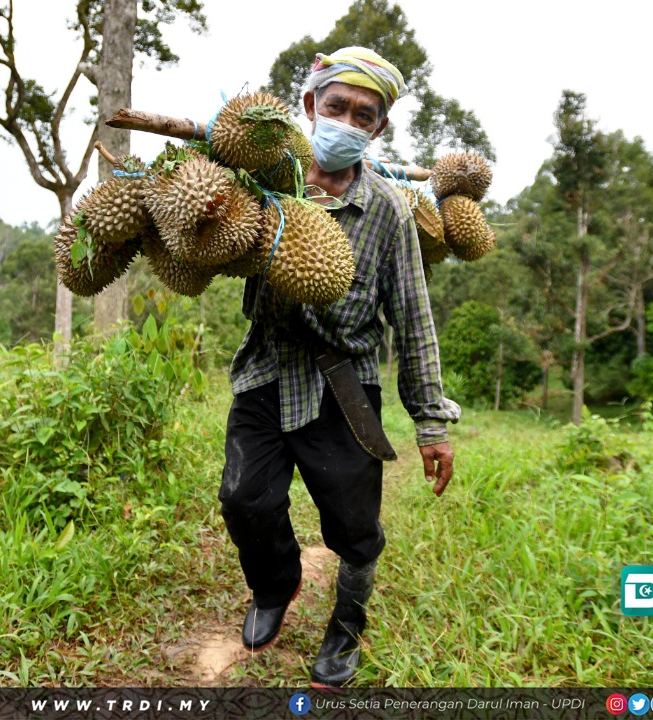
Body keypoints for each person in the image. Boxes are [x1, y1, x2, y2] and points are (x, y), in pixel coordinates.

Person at [218, 46, 460, 687]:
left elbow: (413, 317)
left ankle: (346, 626)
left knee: (354, 525)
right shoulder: (267, 183)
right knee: (243, 498)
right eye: (336, 108)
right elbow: (205, 231)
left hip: (343, 386)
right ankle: (275, 588)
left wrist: (431, 422)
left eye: (363, 114)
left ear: (378, 127)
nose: (347, 122)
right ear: (309, 107)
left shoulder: (388, 210)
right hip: (266, 372)